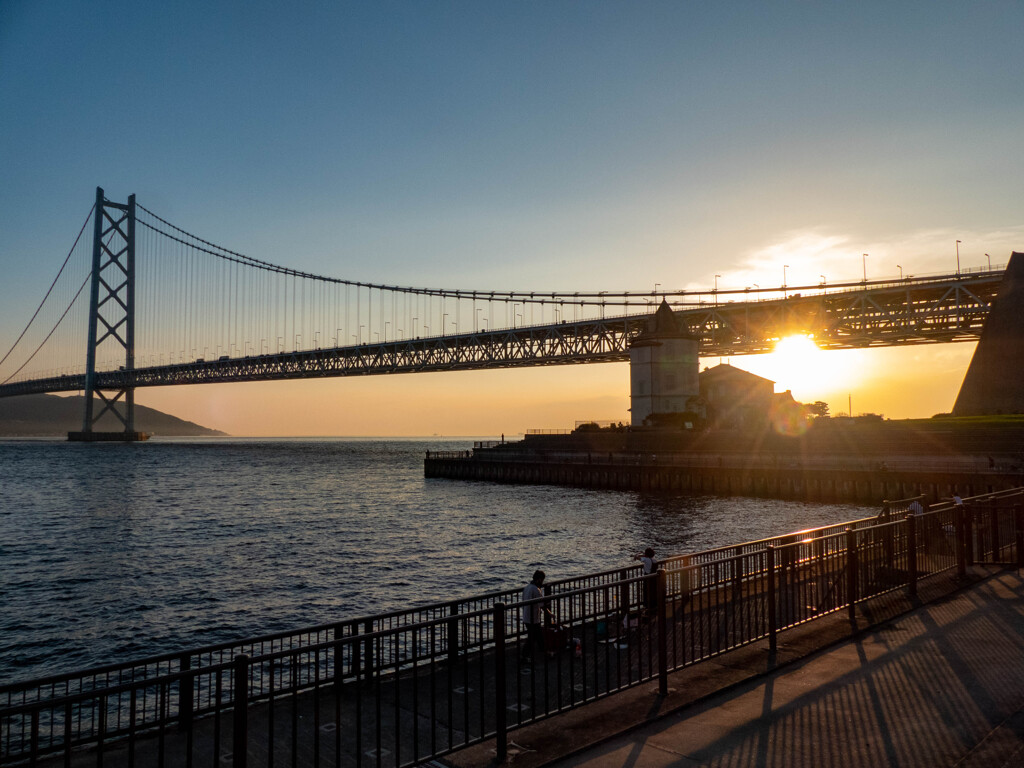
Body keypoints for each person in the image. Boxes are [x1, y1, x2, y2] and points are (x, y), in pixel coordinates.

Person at [521, 570, 548, 663]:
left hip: (526, 617)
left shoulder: (527, 588)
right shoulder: (536, 590)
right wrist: (550, 614)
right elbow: (542, 605)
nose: (542, 583)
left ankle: (543, 651)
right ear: (539, 580)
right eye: (542, 580)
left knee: (537, 636)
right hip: (533, 618)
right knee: (532, 638)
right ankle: (524, 656)